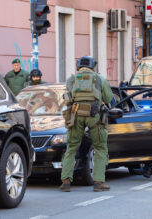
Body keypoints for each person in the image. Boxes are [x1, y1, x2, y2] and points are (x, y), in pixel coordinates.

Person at [60, 56, 114, 192]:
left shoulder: (72, 79)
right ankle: (98, 182)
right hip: (94, 115)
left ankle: (66, 182)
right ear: (93, 66)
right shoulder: (100, 79)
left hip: (76, 114)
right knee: (100, 148)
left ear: (78, 66)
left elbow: (68, 98)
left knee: (71, 148)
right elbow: (108, 98)